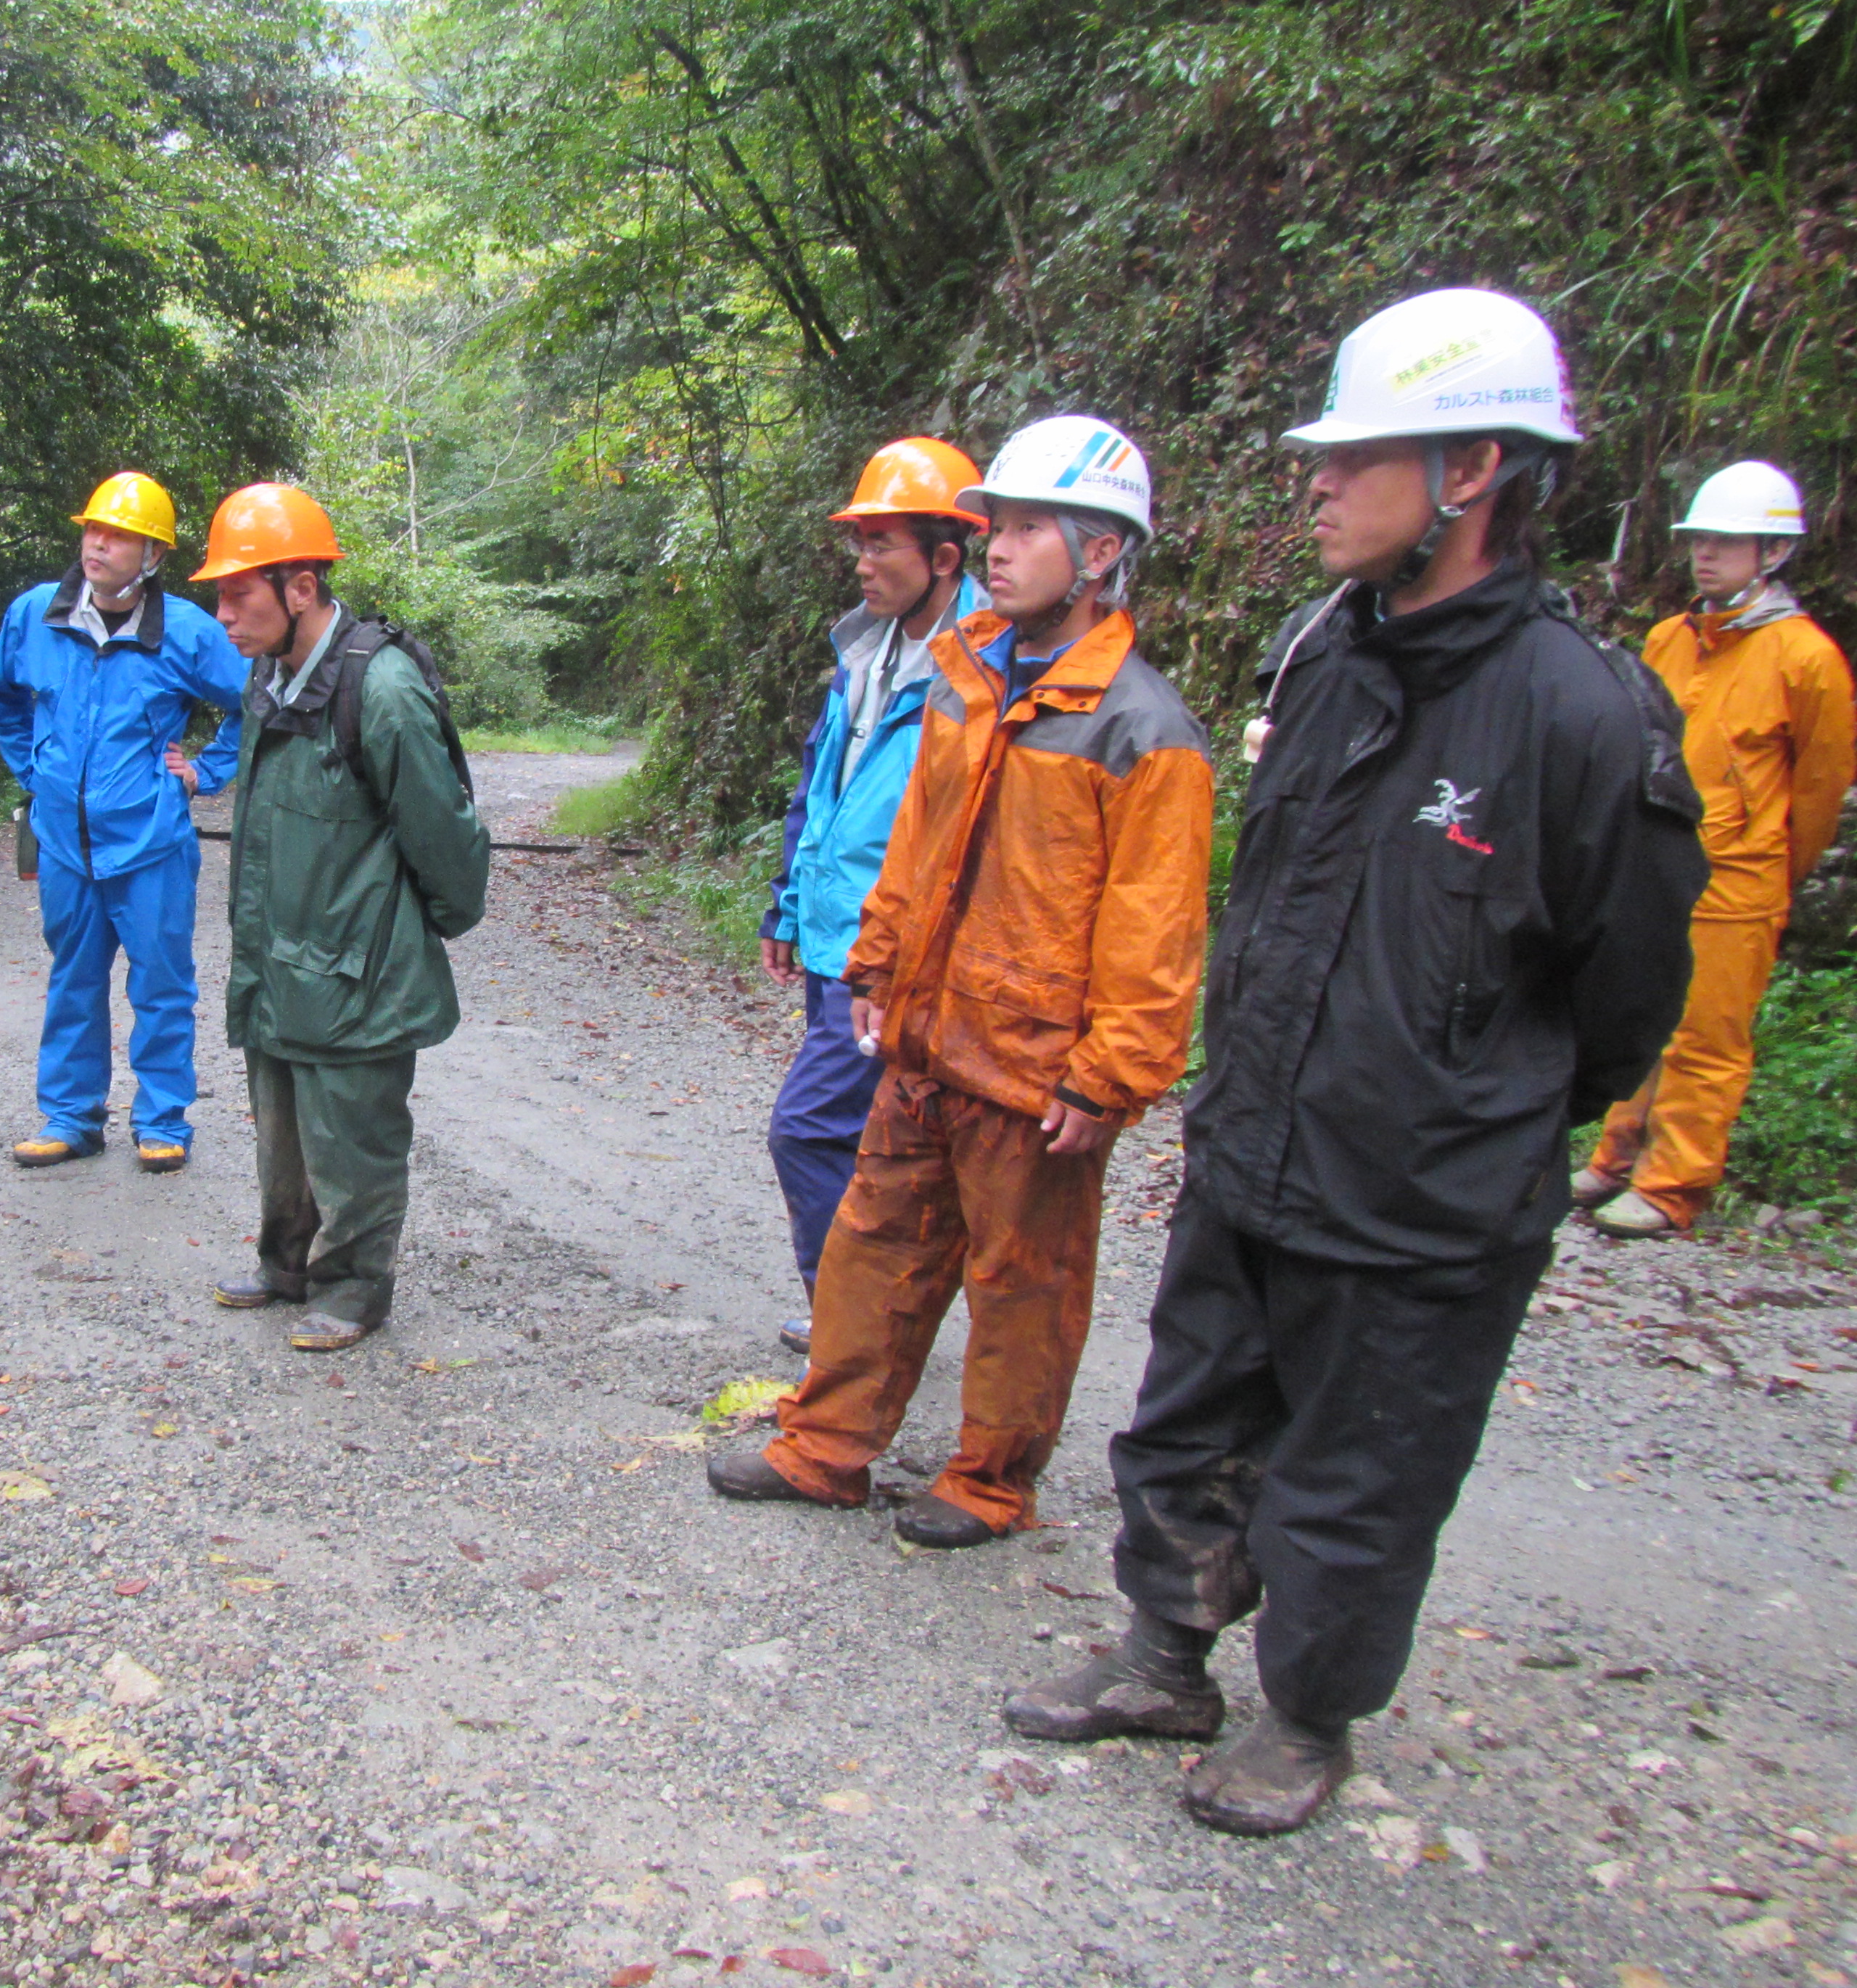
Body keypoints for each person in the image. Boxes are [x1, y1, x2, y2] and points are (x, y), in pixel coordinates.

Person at [1004, 289, 1708, 1839]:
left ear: (1467, 472)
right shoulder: (1317, 652)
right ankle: (1161, 1655)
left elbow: (1627, 992)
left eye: (1353, 455)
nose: (1311, 483)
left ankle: (1305, 1717)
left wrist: (1470, 1101)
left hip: (1426, 1196)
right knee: (1182, 1416)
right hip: (1255, 1143)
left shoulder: (1581, 717)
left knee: (1355, 1477)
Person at [709, 416, 1213, 1548]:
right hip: (926, 1040)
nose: (997, 546)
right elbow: (915, 850)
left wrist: (1110, 1079)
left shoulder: (1143, 728)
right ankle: (826, 1448)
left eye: (1029, 528)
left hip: (1036, 1072)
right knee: (872, 1248)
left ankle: (988, 1483)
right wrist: (878, 969)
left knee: (1023, 1287)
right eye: (995, 525)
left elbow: (1158, 930)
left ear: (1099, 555)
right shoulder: (963, 681)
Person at [191, 484, 490, 1352]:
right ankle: (287, 1265)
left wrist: (413, 931)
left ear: (300, 587)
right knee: (282, 1126)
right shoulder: (269, 675)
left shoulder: (381, 686)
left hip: (360, 966)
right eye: (219, 595)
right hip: (283, 958)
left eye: (236, 594)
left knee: (353, 1134)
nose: (222, 615)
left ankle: (355, 1289)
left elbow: (447, 839)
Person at [1579, 461, 1852, 1236]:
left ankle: (1673, 1186)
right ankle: (1613, 1157)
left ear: (1771, 553)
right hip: (1657, 866)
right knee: (1637, 1011)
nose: (1706, 555)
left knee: (1706, 1034)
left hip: (1739, 877)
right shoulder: (1671, 638)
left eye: (1726, 543)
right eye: (1699, 540)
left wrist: (1773, 871)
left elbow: (1820, 787)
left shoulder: (1806, 660)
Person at [758, 438, 988, 1355]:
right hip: (834, 936)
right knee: (868, 1141)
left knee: (807, 1129)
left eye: (883, 543)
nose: (863, 561)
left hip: (895, 956)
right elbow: (823, 786)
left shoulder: (983, 668)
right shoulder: (866, 649)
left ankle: (853, 1321)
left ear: (945, 556)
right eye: (859, 541)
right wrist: (786, 901)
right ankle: (875, 1312)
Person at [0, 471, 248, 1173]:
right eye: (94, 529)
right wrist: (35, 773)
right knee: (74, 978)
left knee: (161, 984)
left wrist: (206, 773)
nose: (99, 543)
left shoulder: (188, 632)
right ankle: (70, 1118)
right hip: (65, 845)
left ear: (152, 555)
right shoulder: (36, 614)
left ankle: (161, 1121)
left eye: (120, 535)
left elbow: (258, 702)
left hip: (152, 844)